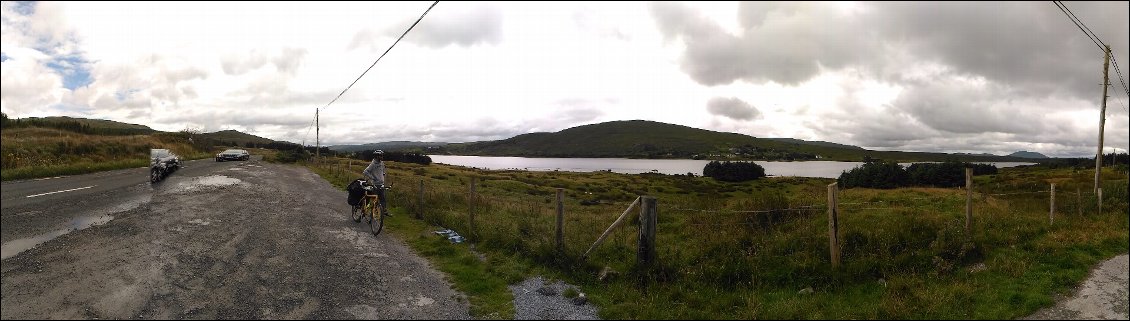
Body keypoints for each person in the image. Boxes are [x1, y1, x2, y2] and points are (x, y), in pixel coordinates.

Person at [362, 150, 391, 217]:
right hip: (375, 185)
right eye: (380, 155)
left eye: (382, 155)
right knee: (375, 200)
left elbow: (383, 171)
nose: (382, 157)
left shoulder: (382, 163)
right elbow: (365, 172)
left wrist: (383, 175)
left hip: (381, 184)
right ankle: (372, 213)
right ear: (377, 156)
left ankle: (384, 212)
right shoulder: (373, 164)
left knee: (383, 199)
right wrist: (373, 178)